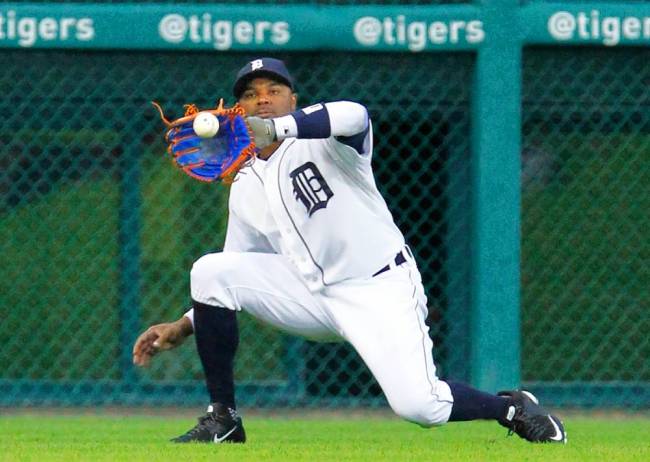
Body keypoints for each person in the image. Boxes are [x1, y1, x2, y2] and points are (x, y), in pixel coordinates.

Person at [132, 57, 566, 445]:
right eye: (250, 94)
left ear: (293, 99)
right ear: (237, 108)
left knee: (420, 406)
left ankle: (511, 407)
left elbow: (354, 114)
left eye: (273, 91)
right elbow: (234, 273)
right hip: (310, 295)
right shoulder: (244, 182)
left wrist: (280, 128)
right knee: (211, 269)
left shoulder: (331, 145)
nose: (262, 100)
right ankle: (223, 420)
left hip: (377, 287)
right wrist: (183, 324)